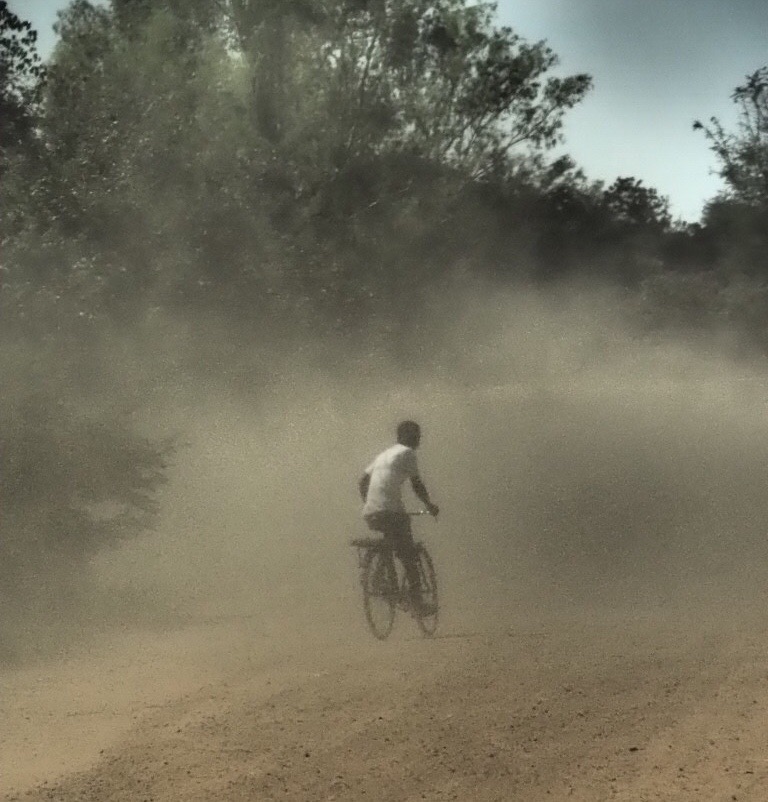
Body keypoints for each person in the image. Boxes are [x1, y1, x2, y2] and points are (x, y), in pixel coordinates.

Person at [358, 420, 439, 615]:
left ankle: (381, 579)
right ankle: (417, 603)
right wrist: (429, 505)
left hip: (371, 513)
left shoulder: (383, 455)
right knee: (409, 555)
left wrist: (371, 505)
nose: (418, 439)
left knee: (391, 540)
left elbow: (362, 482)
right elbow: (416, 484)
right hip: (390, 513)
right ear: (405, 437)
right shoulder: (407, 453)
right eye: (416, 435)